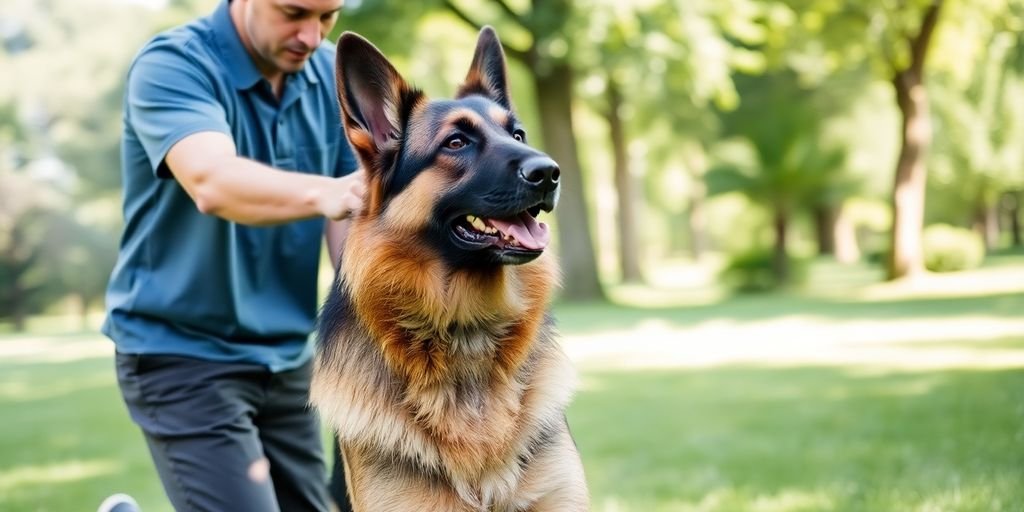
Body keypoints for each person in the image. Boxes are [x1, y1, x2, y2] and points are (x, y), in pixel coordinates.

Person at [102, 0, 361, 510]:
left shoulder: (331, 74)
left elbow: (349, 221)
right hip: (180, 353)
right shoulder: (175, 64)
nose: (311, 36)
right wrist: (326, 192)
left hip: (287, 356)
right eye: (294, 12)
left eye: (327, 16)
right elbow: (212, 182)